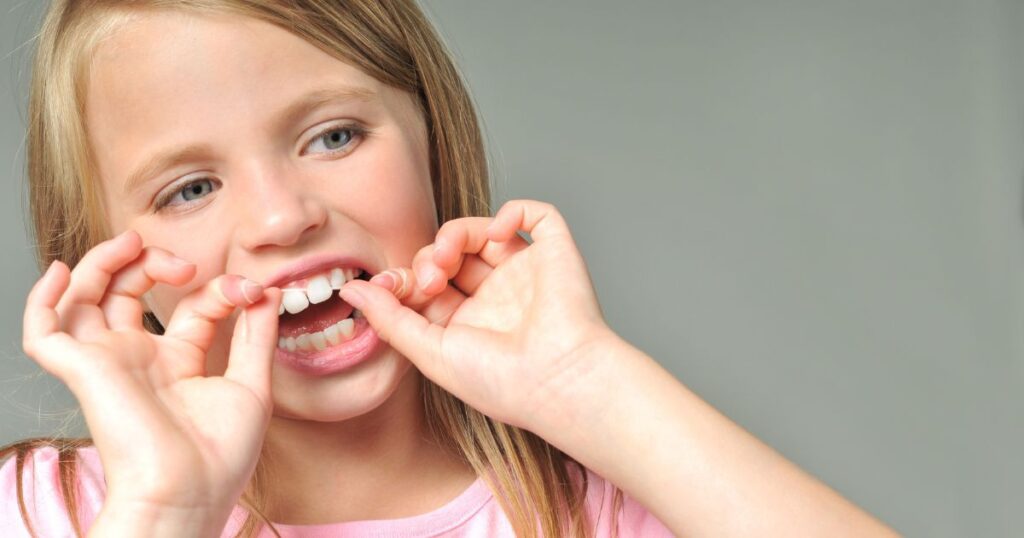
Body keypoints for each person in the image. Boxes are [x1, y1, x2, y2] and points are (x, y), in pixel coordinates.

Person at [0, 1, 897, 536]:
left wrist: (590, 387)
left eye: (335, 135)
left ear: (436, 143)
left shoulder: (592, 509)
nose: (283, 217)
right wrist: (163, 514)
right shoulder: (43, 511)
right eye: (190, 188)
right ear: (104, 267)